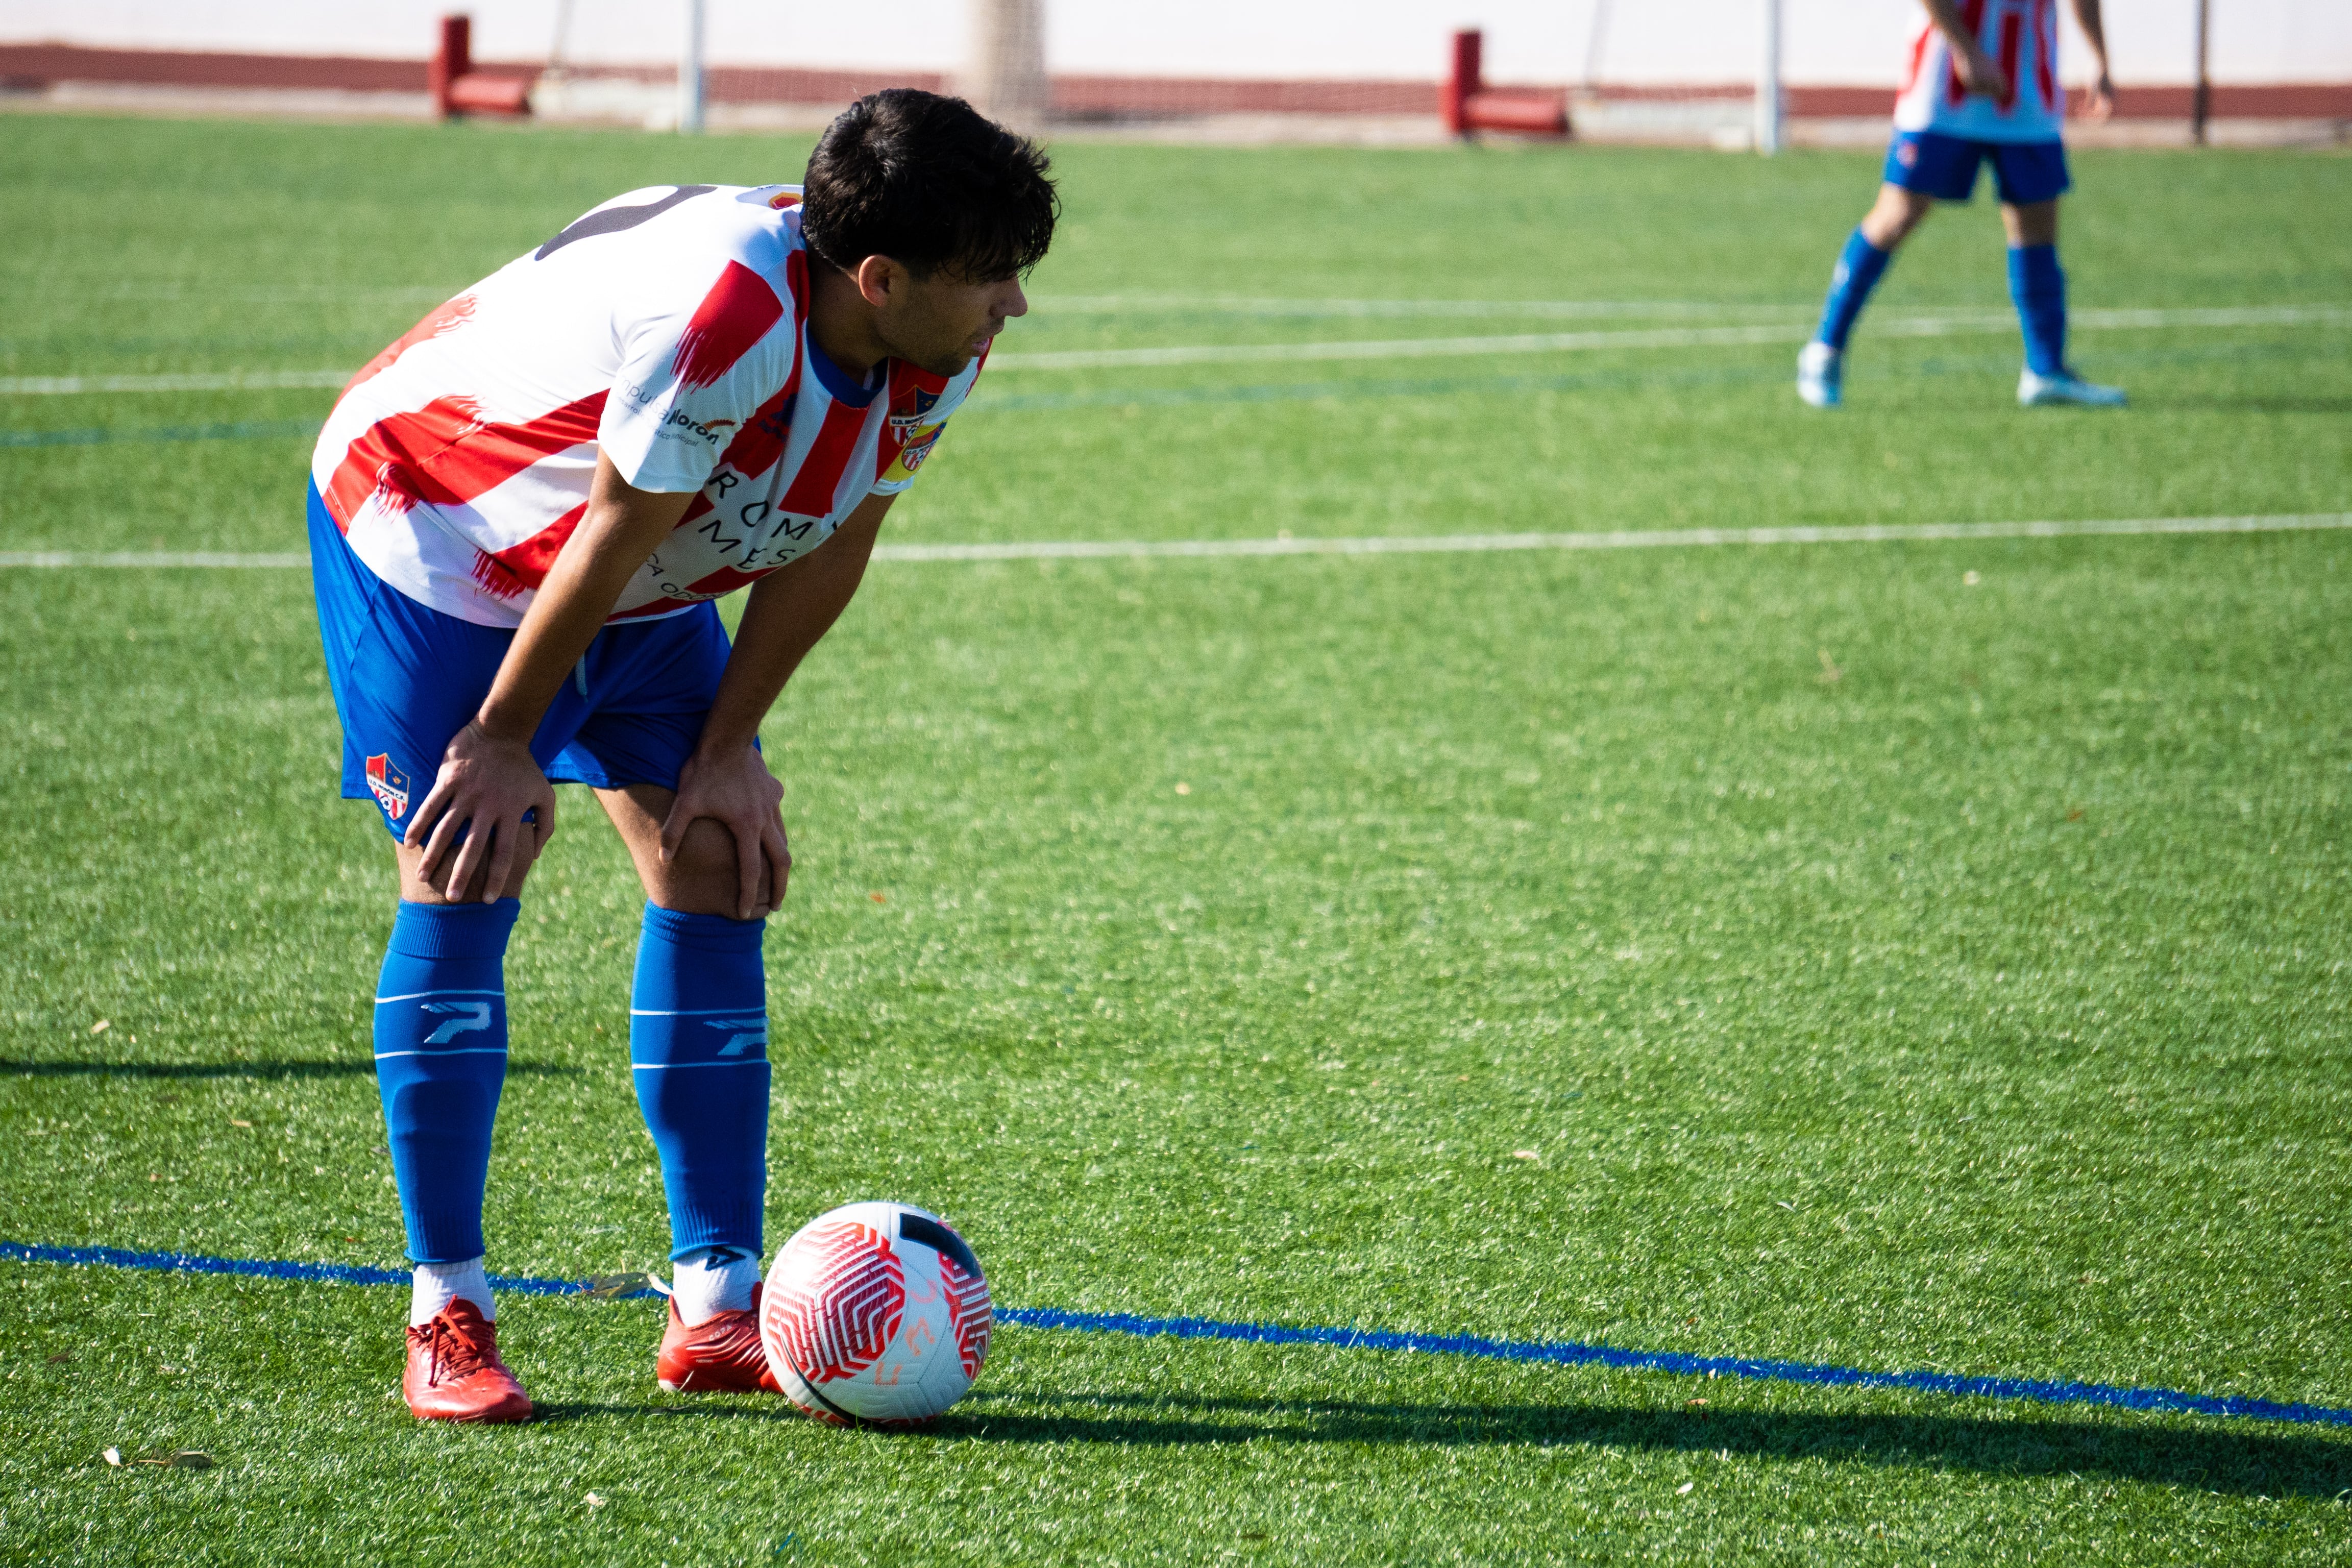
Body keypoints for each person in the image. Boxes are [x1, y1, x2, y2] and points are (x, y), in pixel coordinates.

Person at [306, 89, 1057, 1422]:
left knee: (719, 854)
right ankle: (449, 1309)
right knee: (475, 858)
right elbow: (600, 529)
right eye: (991, 277)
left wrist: (729, 751)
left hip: (636, 566)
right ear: (879, 278)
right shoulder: (730, 326)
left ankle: (715, 1308)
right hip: (441, 532)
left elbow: (834, 537)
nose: (1011, 305)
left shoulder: (929, 341)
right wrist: (497, 742)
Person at [1798, 0, 2126, 409]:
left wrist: (2100, 58)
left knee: (2036, 225)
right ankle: (1825, 350)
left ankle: (2046, 371)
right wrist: (1966, 51)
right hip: (1945, 82)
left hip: (2026, 82)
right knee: (1898, 214)